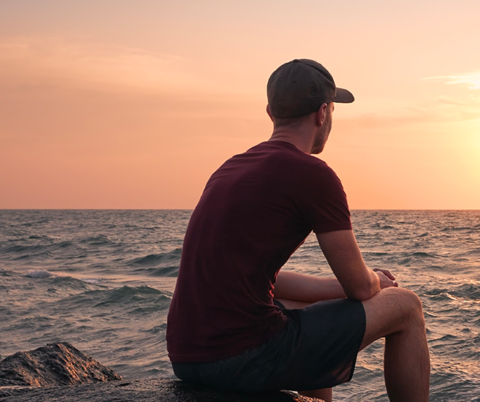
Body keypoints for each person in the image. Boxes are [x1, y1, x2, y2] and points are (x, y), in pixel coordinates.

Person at [166, 59, 430, 402]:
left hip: (188, 357)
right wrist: (377, 281)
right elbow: (359, 286)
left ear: (270, 112)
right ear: (323, 113)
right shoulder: (312, 174)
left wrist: (333, 291)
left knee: (298, 308)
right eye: (333, 109)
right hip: (241, 358)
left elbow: (255, 275)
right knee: (406, 305)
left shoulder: (230, 168)